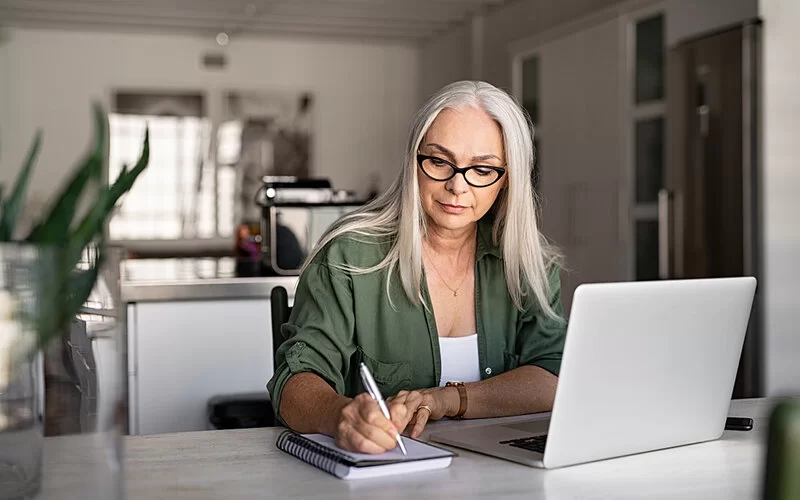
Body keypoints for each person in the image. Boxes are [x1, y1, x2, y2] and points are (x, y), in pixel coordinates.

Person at [267, 80, 566, 454]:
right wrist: (339, 415)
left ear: (507, 180)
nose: (458, 186)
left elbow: (553, 376)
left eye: (483, 169)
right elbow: (295, 381)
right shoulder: (348, 255)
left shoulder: (528, 263)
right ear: (414, 161)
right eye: (440, 161)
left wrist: (447, 399)